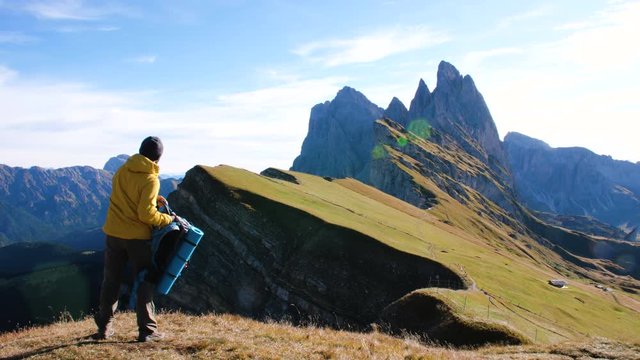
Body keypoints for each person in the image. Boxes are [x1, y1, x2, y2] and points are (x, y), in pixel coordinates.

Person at [94, 136, 176, 342]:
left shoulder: (122, 170)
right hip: (137, 239)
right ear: (158, 158)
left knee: (111, 280)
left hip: (113, 233)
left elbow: (126, 196)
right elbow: (146, 215)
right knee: (144, 280)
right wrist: (167, 219)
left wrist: (153, 198)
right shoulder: (150, 179)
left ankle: (104, 328)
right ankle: (147, 331)